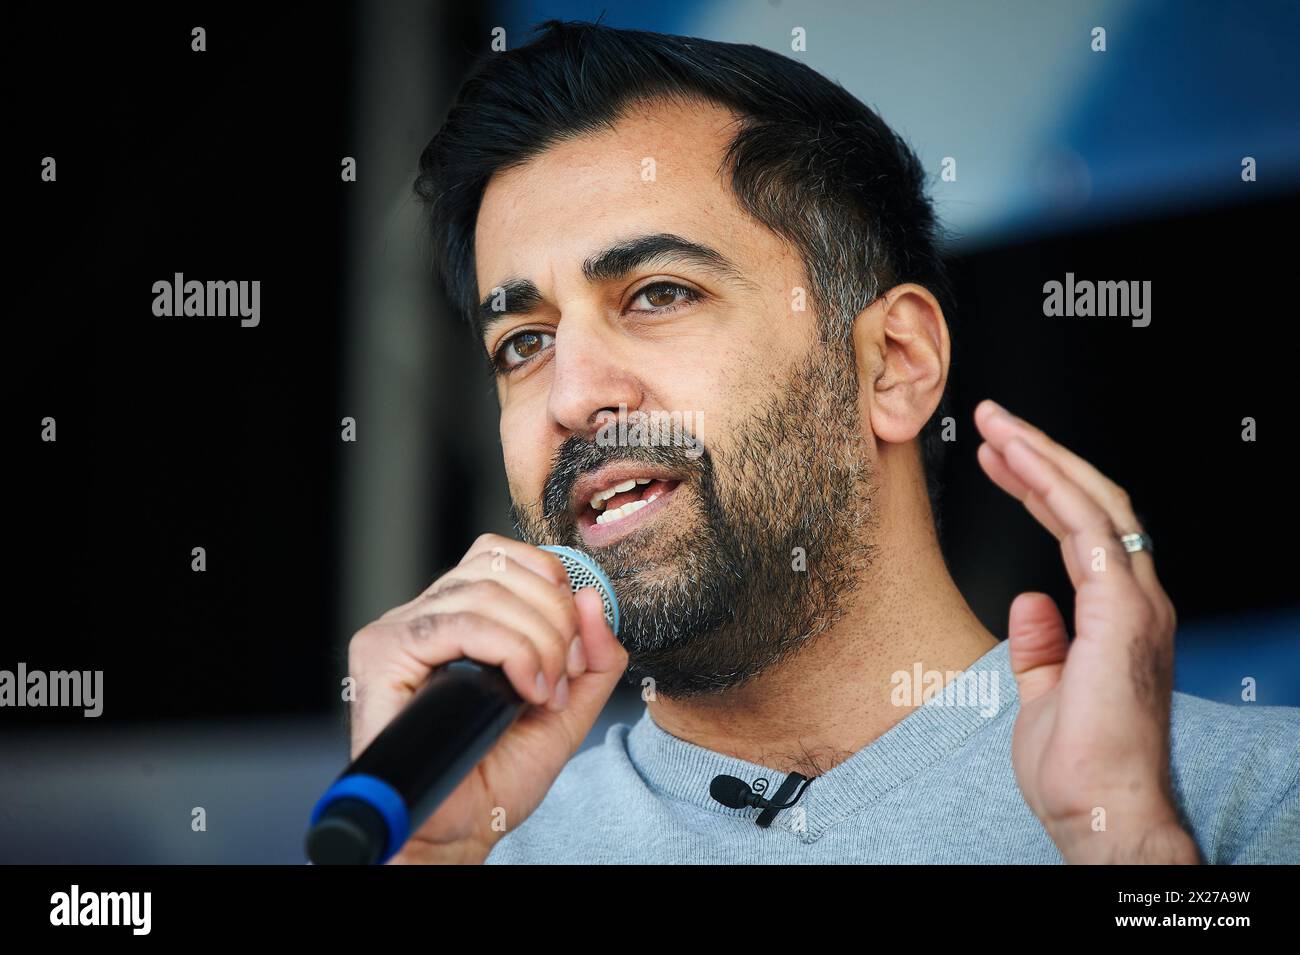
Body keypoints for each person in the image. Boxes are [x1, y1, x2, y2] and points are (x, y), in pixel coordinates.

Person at [344, 20, 1299, 864]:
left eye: (659, 294)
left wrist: (1126, 841)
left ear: (894, 361)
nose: (572, 395)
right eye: (524, 343)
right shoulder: (472, 844)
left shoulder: (1248, 800)